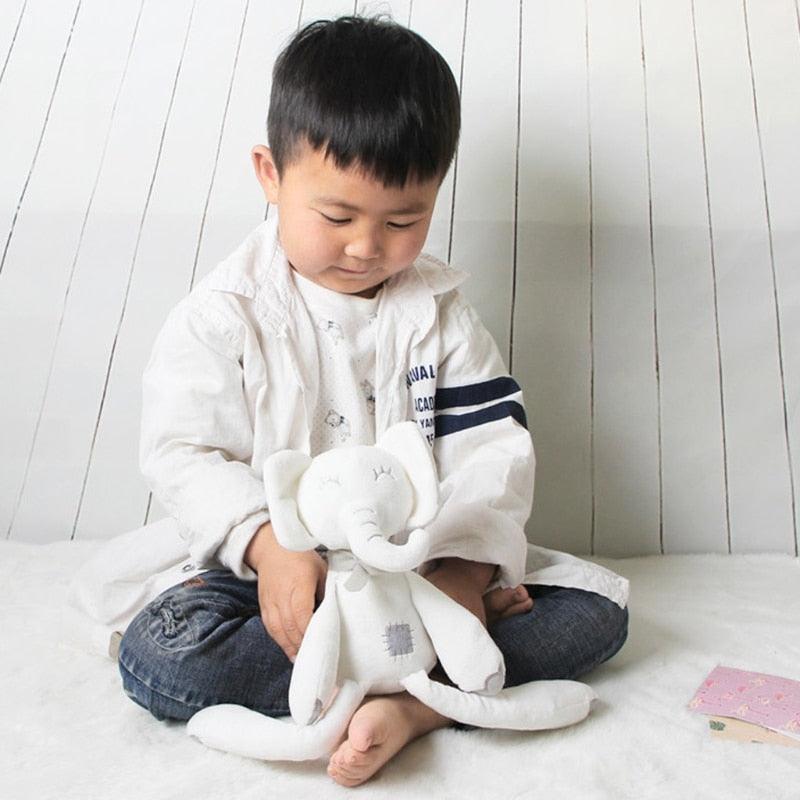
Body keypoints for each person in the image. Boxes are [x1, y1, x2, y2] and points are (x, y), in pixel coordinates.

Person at [70, 16, 629, 788]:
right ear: (271, 174)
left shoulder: (440, 315)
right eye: (337, 217)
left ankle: (407, 706)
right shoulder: (224, 315)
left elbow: (491, 450)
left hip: (418, 571)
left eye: (404, 220)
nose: (367, 247)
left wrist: (465, 575)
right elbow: (183, 452)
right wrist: (268, 546)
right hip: (274, 575)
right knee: (161, 653)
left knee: (596, 613)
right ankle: (428, 685)